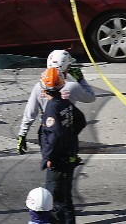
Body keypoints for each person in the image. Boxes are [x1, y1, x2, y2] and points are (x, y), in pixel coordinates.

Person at [17, 50, 95, 155]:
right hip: (67, 131)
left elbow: (30, 112)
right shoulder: (72, 86)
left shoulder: (38, 86)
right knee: (69, 162)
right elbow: (90, 97)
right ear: (66, 67)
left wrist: (22, 134)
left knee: (49, 161)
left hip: (46, 131)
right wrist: (81, 79)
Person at [38, 67, 86, 224]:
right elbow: (80, 120)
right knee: (66, 198)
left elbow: (55, 135)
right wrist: (70, 137)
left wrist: (49, 157)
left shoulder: (52, 108)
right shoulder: (65, 103)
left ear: (44, 88)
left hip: (59, 162)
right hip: (69, 157)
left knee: (54, 200)